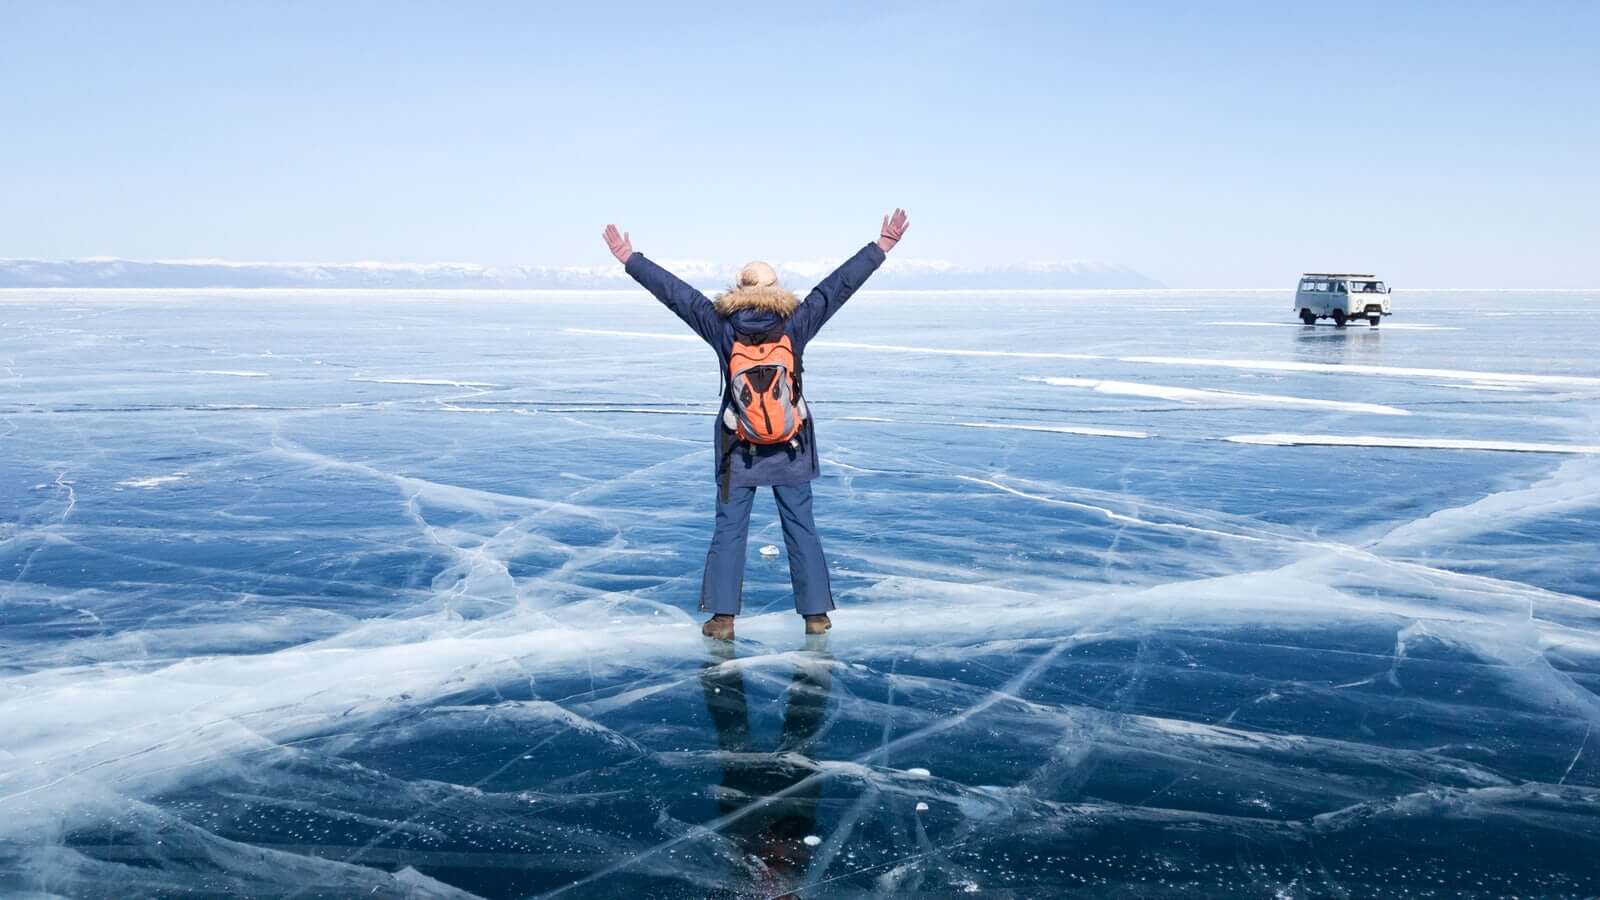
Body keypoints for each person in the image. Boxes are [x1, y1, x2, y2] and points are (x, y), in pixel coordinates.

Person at [603, 210, 910, 639]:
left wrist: (630, 259)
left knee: (730, 529)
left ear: (739, 288)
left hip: (738, 449)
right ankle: (816, 615)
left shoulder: (722, 327)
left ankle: (723, 619)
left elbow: (676, 294)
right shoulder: (795, 324)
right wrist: (880, 248)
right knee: (801, 527)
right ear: (776, 288)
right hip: (791, 448)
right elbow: (837, 288)